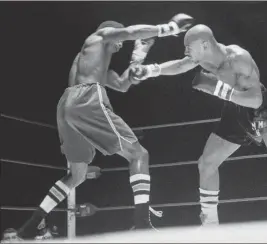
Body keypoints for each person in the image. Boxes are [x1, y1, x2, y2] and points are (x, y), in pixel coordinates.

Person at [130, 24, 267, 225]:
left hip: (261, 109)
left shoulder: (238, 59)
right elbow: (181, 65)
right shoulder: (204, 61)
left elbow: (255, 100)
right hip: (235, 111)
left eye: (189, 47)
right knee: (207, 163)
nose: (185, 52)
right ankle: (210, 224)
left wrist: (219, 91)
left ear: (205, 44)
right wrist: (150, 70)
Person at [14, 14, 194, 239]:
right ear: (111, 33)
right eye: (118, 40)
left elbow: (122, 85)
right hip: (86, 98)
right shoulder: (100, 36)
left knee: (76, 175)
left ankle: (32, 225)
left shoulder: (92, 63)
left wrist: (137, 59)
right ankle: (142, 223)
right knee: (139, 154)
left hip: (66, 108)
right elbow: (130, 33)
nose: (120, 45)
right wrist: (169, 28)